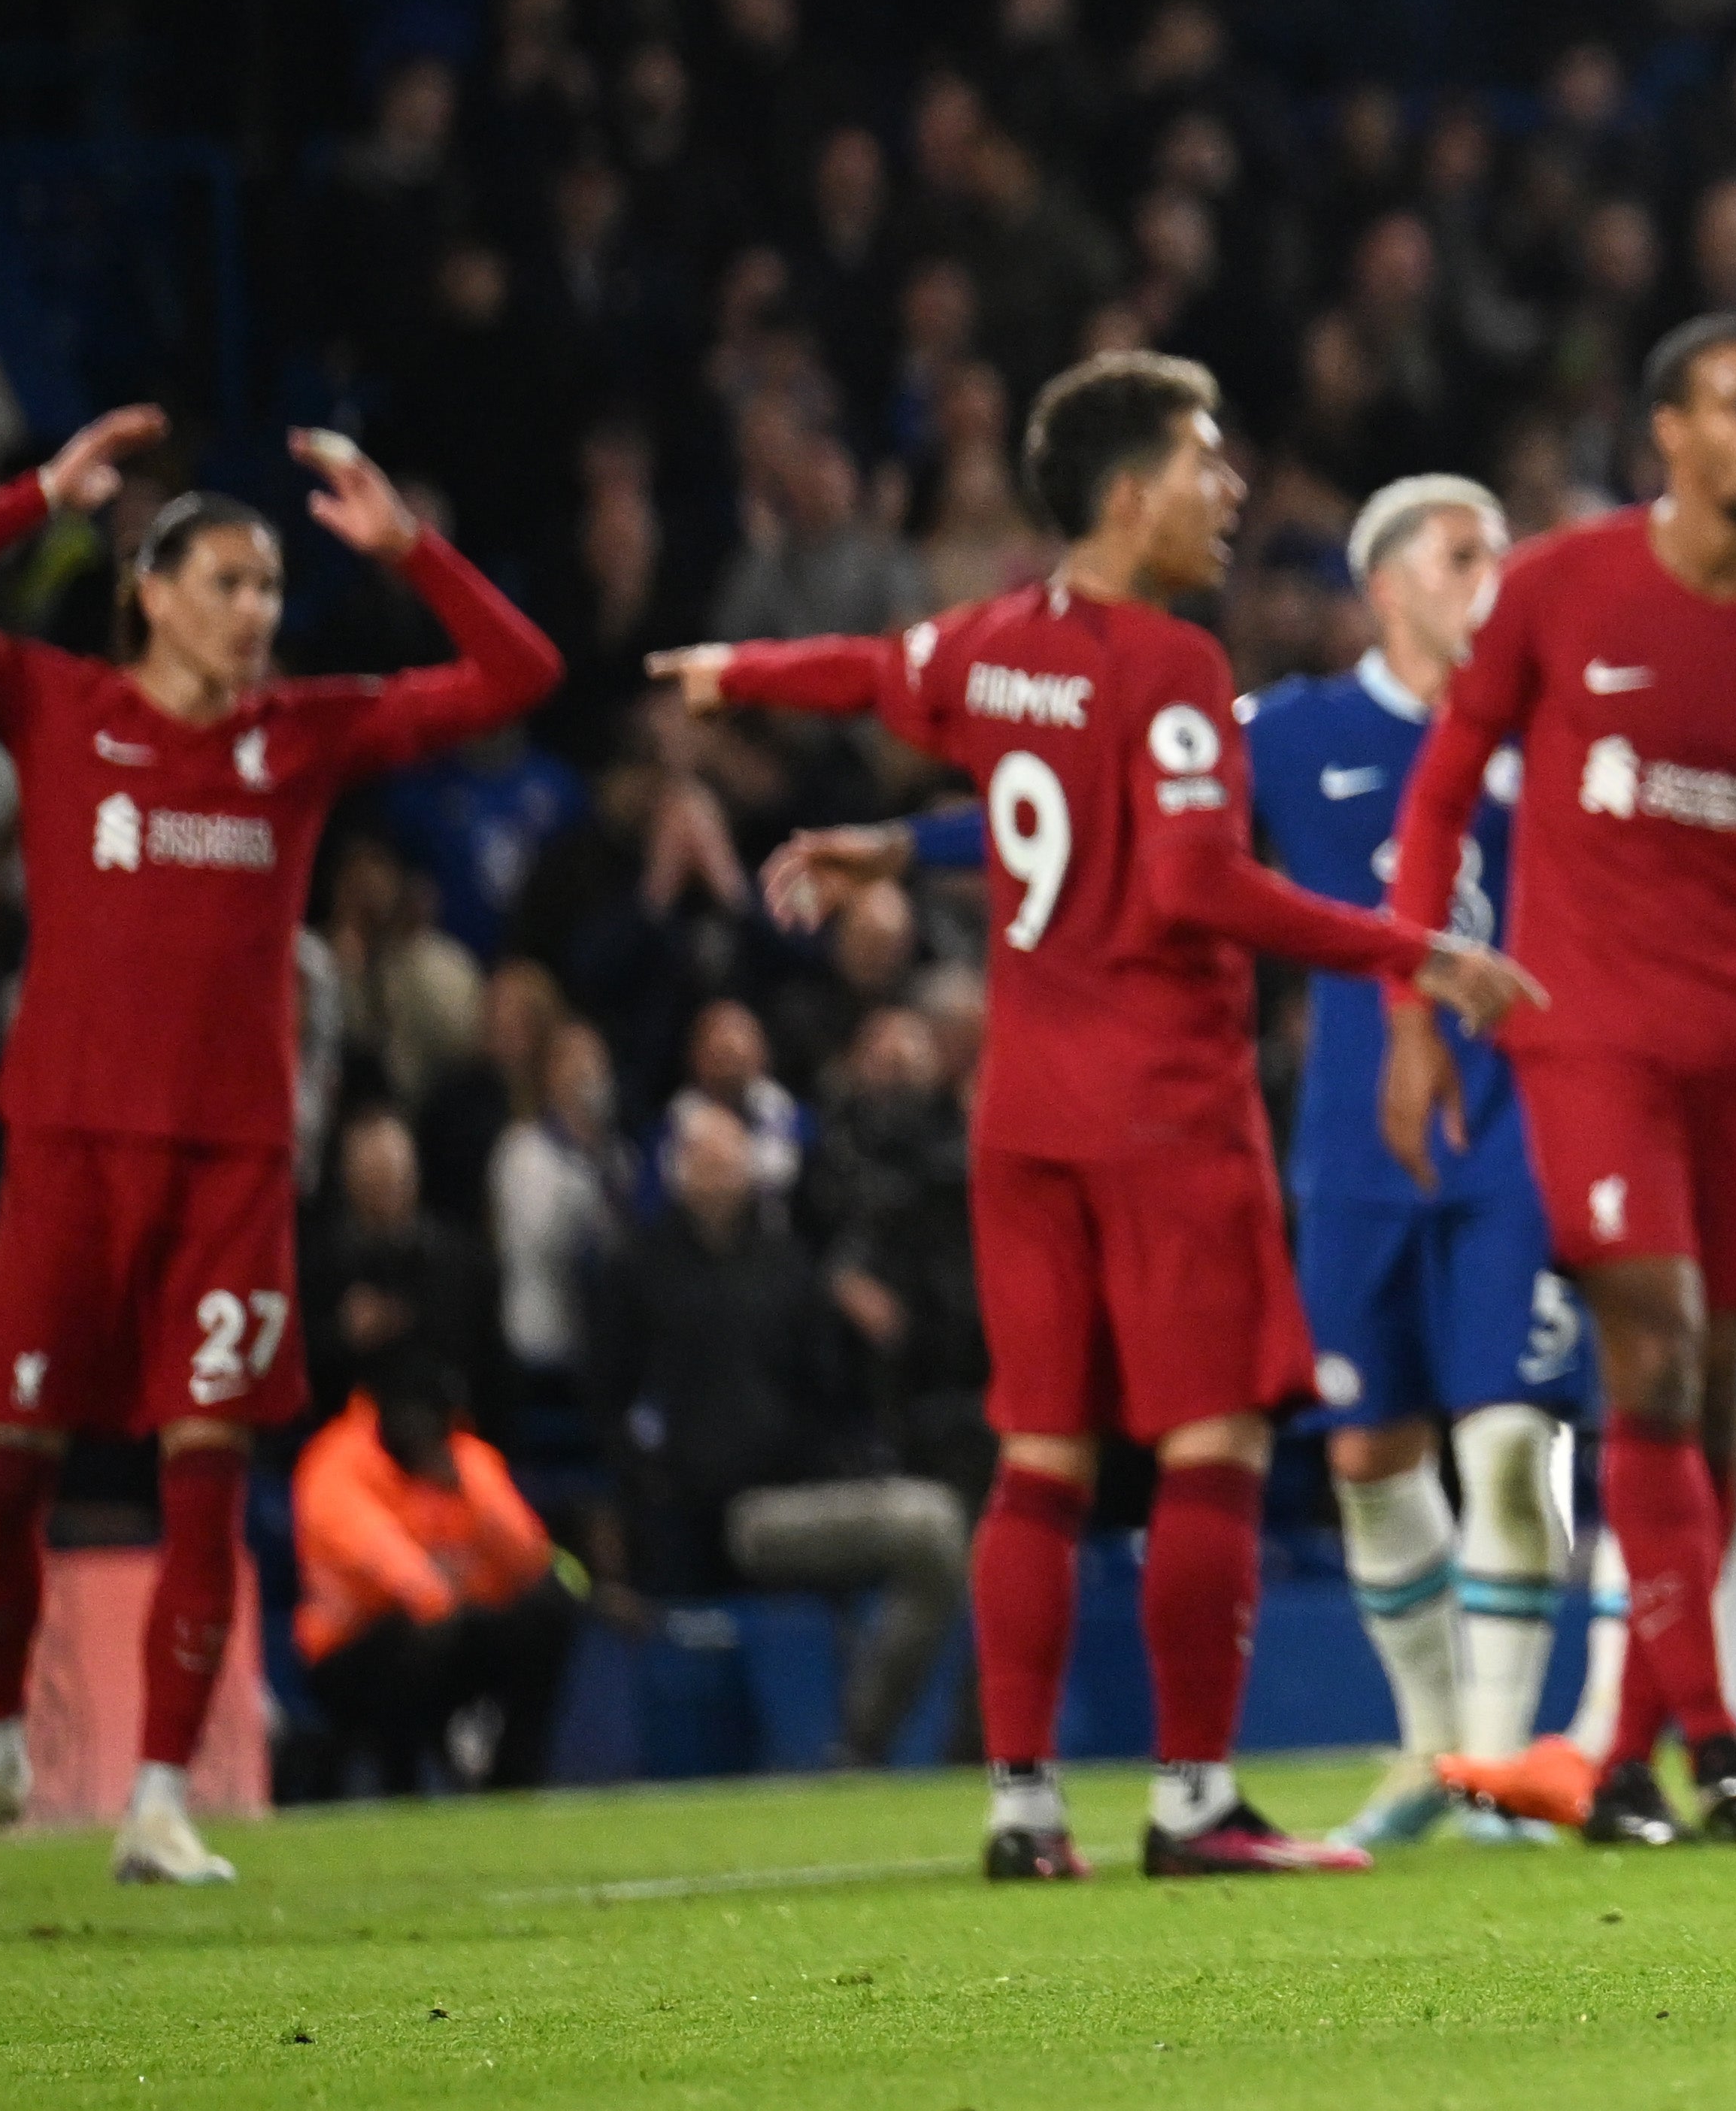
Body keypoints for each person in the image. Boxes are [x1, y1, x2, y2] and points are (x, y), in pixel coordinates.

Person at [651, 353, 1537, 1881]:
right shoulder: (1172, 664)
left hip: (1025, 1116)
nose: (1232, 492)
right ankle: (1194, 1802)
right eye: (1207, 464)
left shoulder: (994, 644)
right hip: (1166, 1109)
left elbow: (876, 671)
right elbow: (1192, 881)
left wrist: (743, 673)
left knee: (1040, 1461)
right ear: (1132, 497)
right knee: (1211, 1448)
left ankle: (1021, 1805)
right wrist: (1414, 950)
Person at [0, 409, 562, 1891]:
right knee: (7, 1482)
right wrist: (34, 499)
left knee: (203, 1479)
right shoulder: (56, 706)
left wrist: (413, 549)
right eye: (226, 582)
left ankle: (159, 1800)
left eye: (272, 589)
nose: (255, 613)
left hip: (228, 1170)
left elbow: (523, 675)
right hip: (67, 1151)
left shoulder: (304, 736)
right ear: (149, 591)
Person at [1395, 316, 1736, 1849]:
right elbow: (1439, 797)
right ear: (1667, 433)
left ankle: (1619, 1754)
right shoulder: (1556, 590)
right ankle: (1717, 1732)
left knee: (1719, 1395)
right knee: (1656, 1357)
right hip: (1588, 1039)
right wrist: (1417, 994)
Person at [587, 1103, 968, 1770]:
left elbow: (830, 1394)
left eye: (732, 1157)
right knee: (932, 1525)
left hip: (802, 1496)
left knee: (948, 1535)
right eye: (705, 1158)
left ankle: (888, 1740)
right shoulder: (640, 1271)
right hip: (725, 1516)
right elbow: (610, 1404)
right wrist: (649, 1500)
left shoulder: (788, 1266)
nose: (720, 1172)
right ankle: (862, 1747)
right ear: (678, 1171)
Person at [292, 1366, 576, 1796]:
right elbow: (381, 1554)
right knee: (420, 1635)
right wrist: (437, 1596)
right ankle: (400, 1790)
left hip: (452, 1628)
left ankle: (513, 1784)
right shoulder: (336, 1462)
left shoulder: (464, 1458)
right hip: (353, 1647)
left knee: (549, 1610)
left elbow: (528, 1557)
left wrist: (469, 1491)